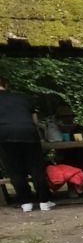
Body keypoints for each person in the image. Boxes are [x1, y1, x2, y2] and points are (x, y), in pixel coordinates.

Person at [0, 78, 53, 212]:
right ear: (6, 84)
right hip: (28, 132)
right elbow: (35, 120)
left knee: (14, 169)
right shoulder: (23, 97)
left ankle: (25, 203)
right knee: (36, 167)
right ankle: (44, 201)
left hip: (4, 134)